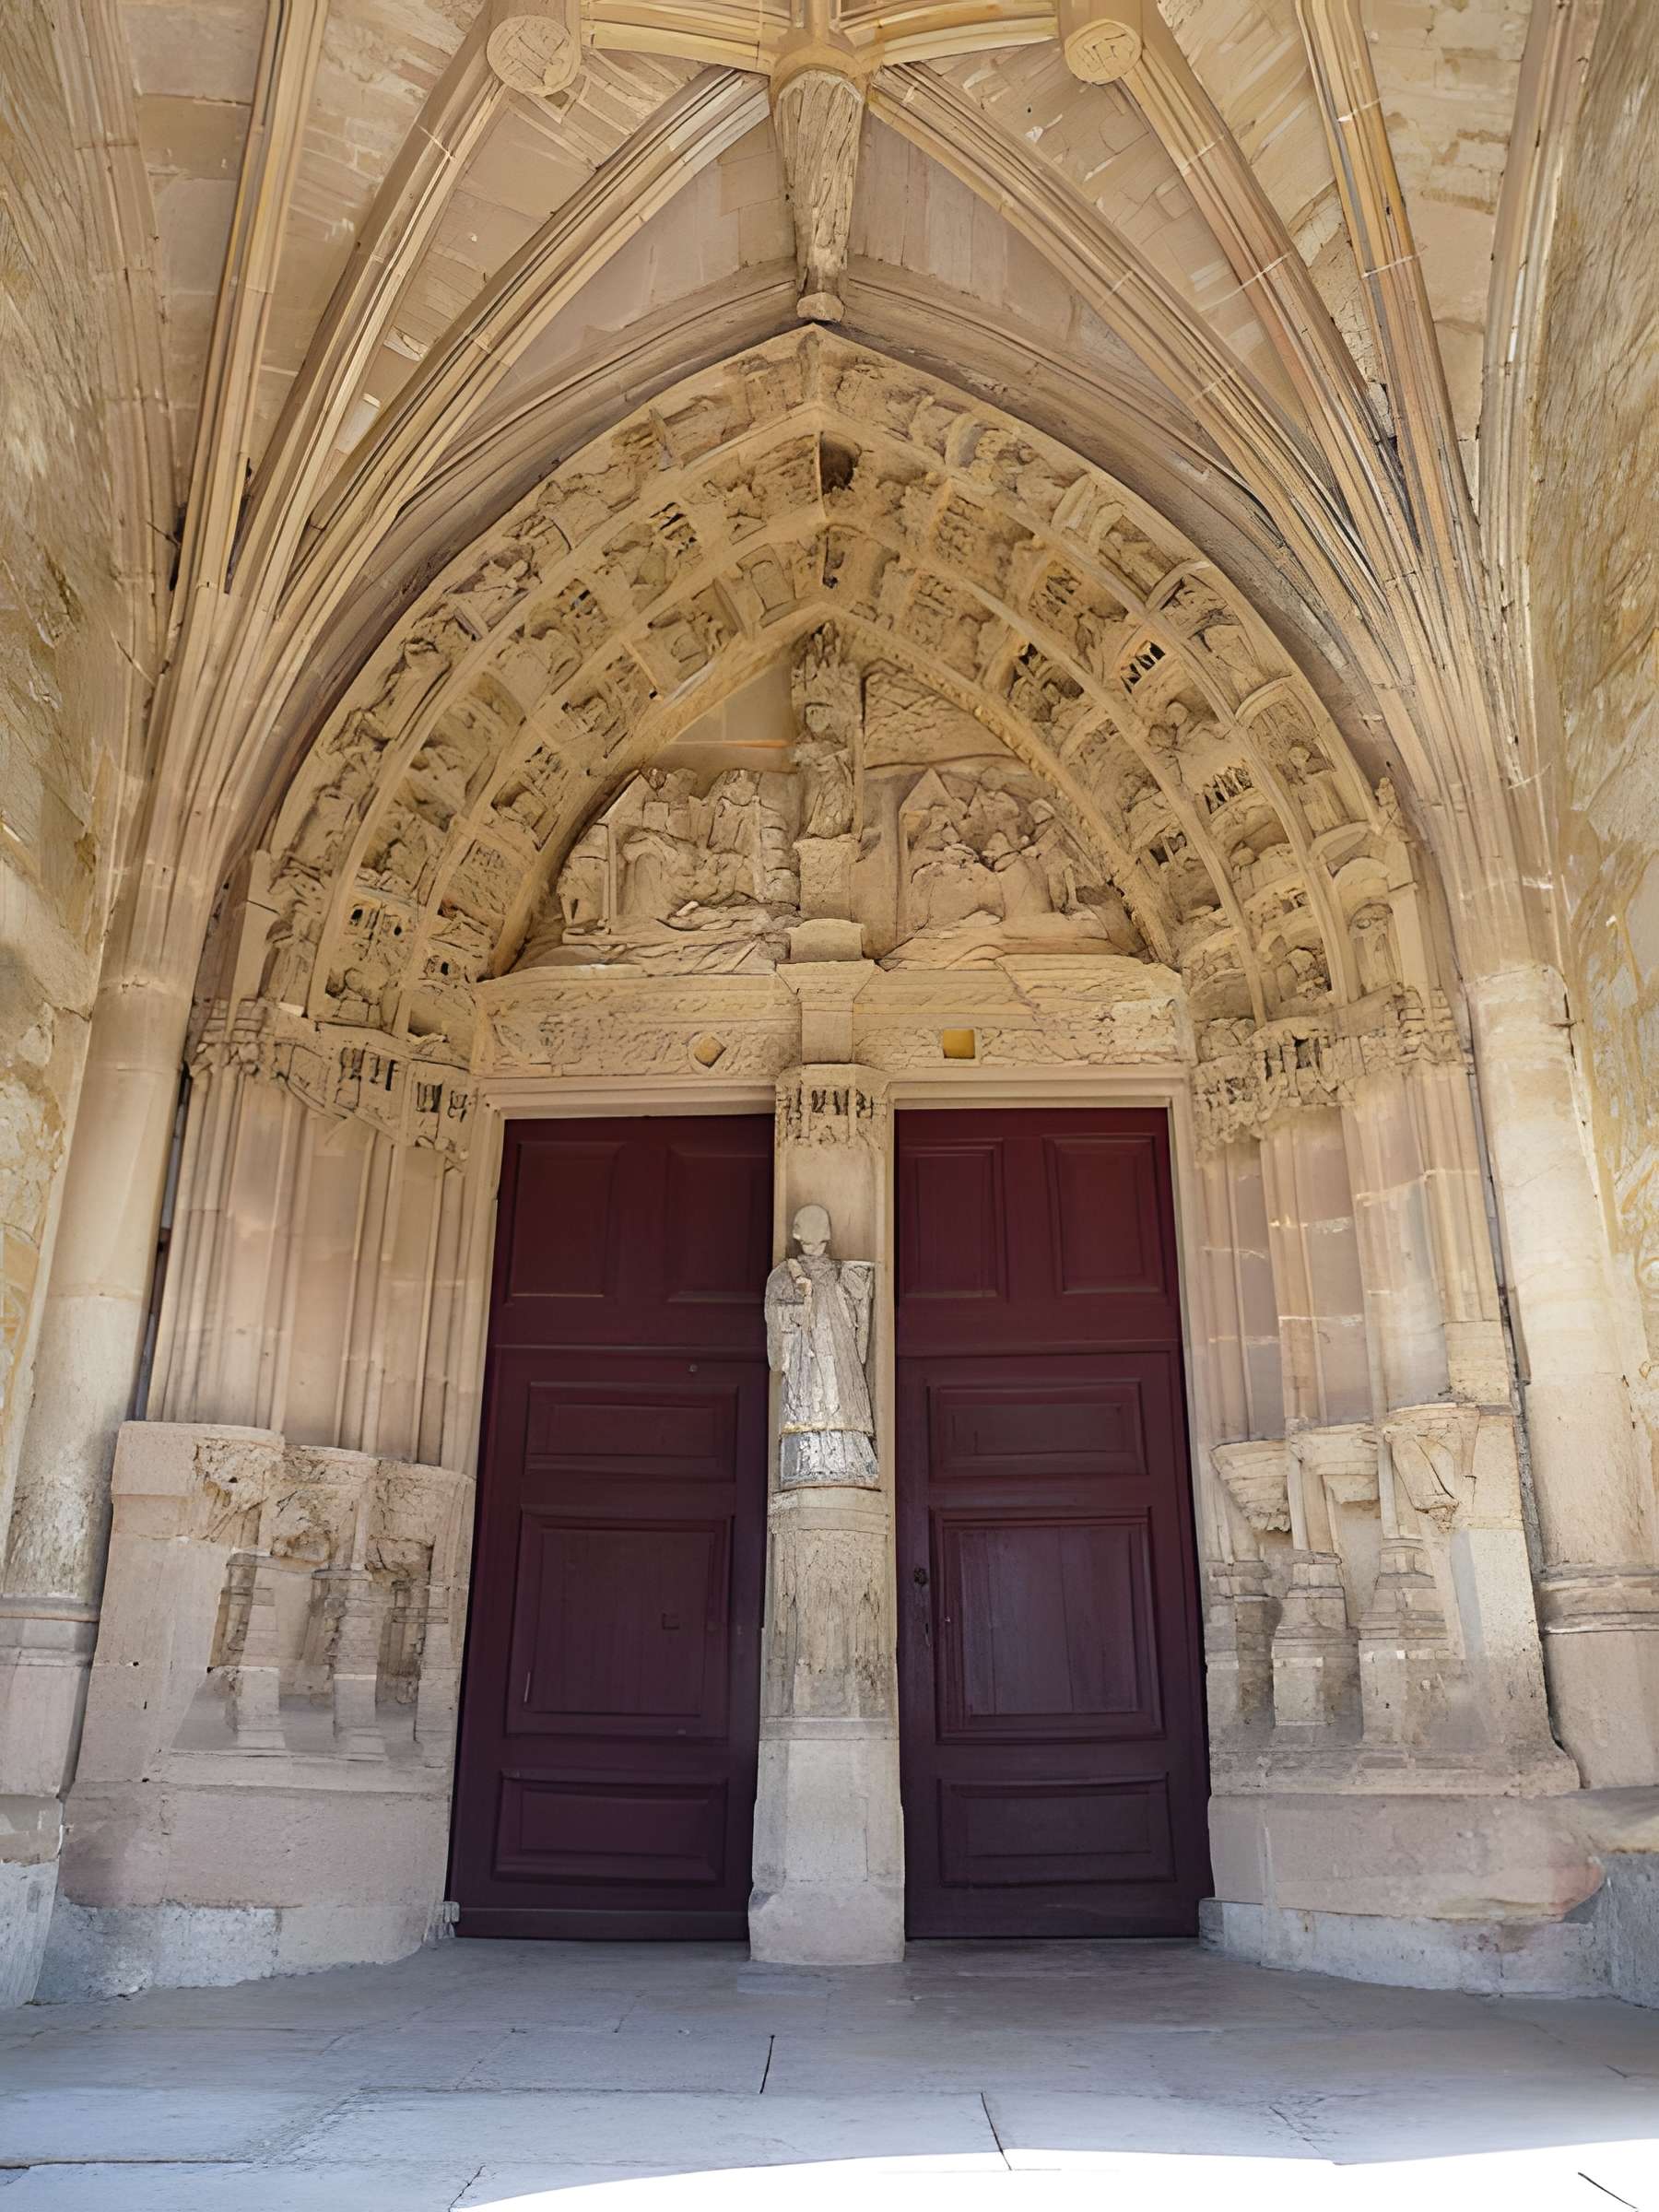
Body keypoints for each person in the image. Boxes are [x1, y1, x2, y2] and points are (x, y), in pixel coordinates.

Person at [764, 1206, 877, 1488]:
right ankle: (807, 1462)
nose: (815, 1248)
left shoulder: (841, 1272)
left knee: (840, 1394)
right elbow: (778, 1325)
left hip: (837, 1347)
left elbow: (856, 1314)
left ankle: (846, 1460)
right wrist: (801, 1296)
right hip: (806, 1349)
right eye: (808, 1242)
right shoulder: (784, 1275)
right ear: (798, 1239)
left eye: (821, 1242)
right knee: (808, 1400)